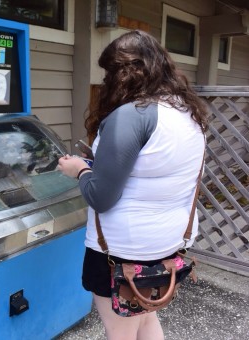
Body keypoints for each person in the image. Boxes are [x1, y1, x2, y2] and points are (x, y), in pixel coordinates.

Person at [57, 30, 208, 340]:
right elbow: (153, 170)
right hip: (167, 244)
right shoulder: (185, 112)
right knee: (146, 319)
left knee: (121, 331)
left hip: (122, 253)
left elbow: (101, 197)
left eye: (109, 72)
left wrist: (79, 171)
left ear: (123, 72)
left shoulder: (131, 116)